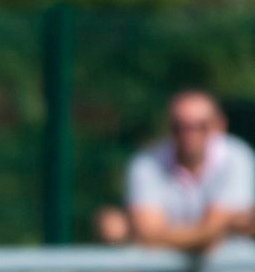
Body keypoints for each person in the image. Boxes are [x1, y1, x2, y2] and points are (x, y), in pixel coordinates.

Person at [98, 90, 255, 250]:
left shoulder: (238, 158)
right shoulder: (145, 163)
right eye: (179, 126)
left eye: (200, 126)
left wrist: (134, 231)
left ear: (219, 125)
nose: (189, 134)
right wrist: (222, 228)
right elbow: (210, 234)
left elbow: (151, 235)